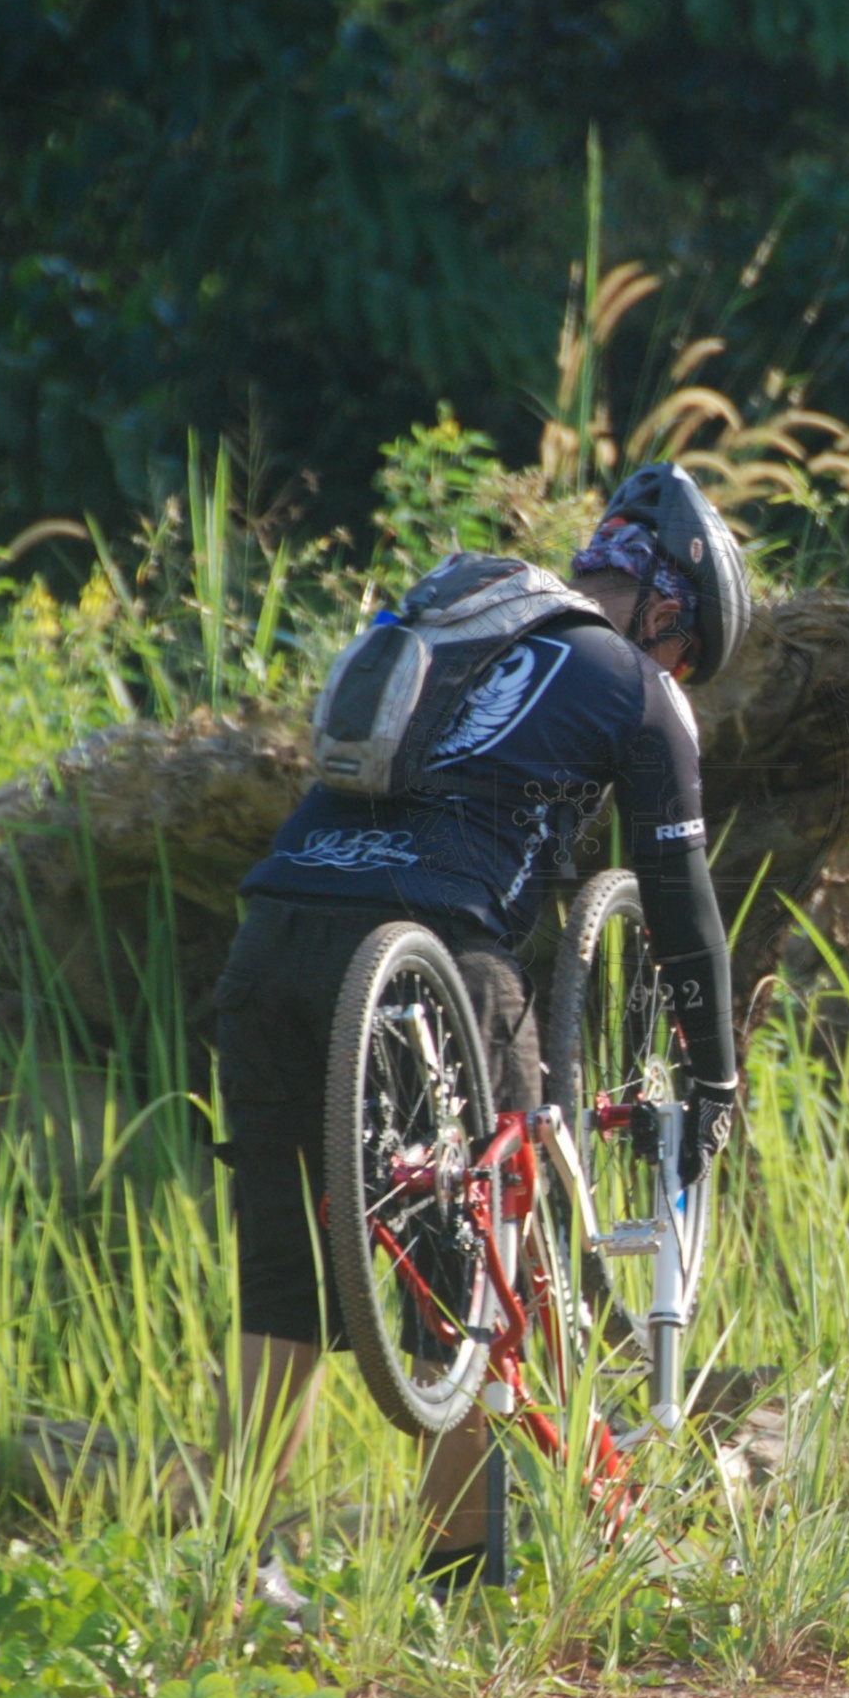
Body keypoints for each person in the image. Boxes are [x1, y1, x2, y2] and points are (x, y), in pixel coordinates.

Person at [210, 461, 748, 1602]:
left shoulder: (470, 616)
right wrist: (714, 1078)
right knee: (477, 1274)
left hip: (277, 932)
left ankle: (233, 1571)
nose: (679, 672)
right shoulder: (637, 686)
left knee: (282, 1271)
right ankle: (455, 1586)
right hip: (441, 950)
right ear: (669, 608)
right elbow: (681, 904)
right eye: (689, 650)